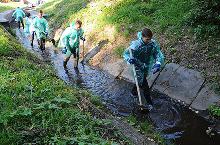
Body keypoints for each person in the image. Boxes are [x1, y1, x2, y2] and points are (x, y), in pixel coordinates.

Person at [123, 28, 164, 108]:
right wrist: (129, 59)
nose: (149, 41)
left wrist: (158, 63)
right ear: (142, 37)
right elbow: (126, 54)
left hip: (146, 66)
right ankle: (150, 104)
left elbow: (157, 53)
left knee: (140, 81)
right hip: (137, 67)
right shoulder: (135, 45)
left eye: (150, 39)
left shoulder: (152, 43)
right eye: (147, 39)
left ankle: (133, 92)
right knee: (145, 87)